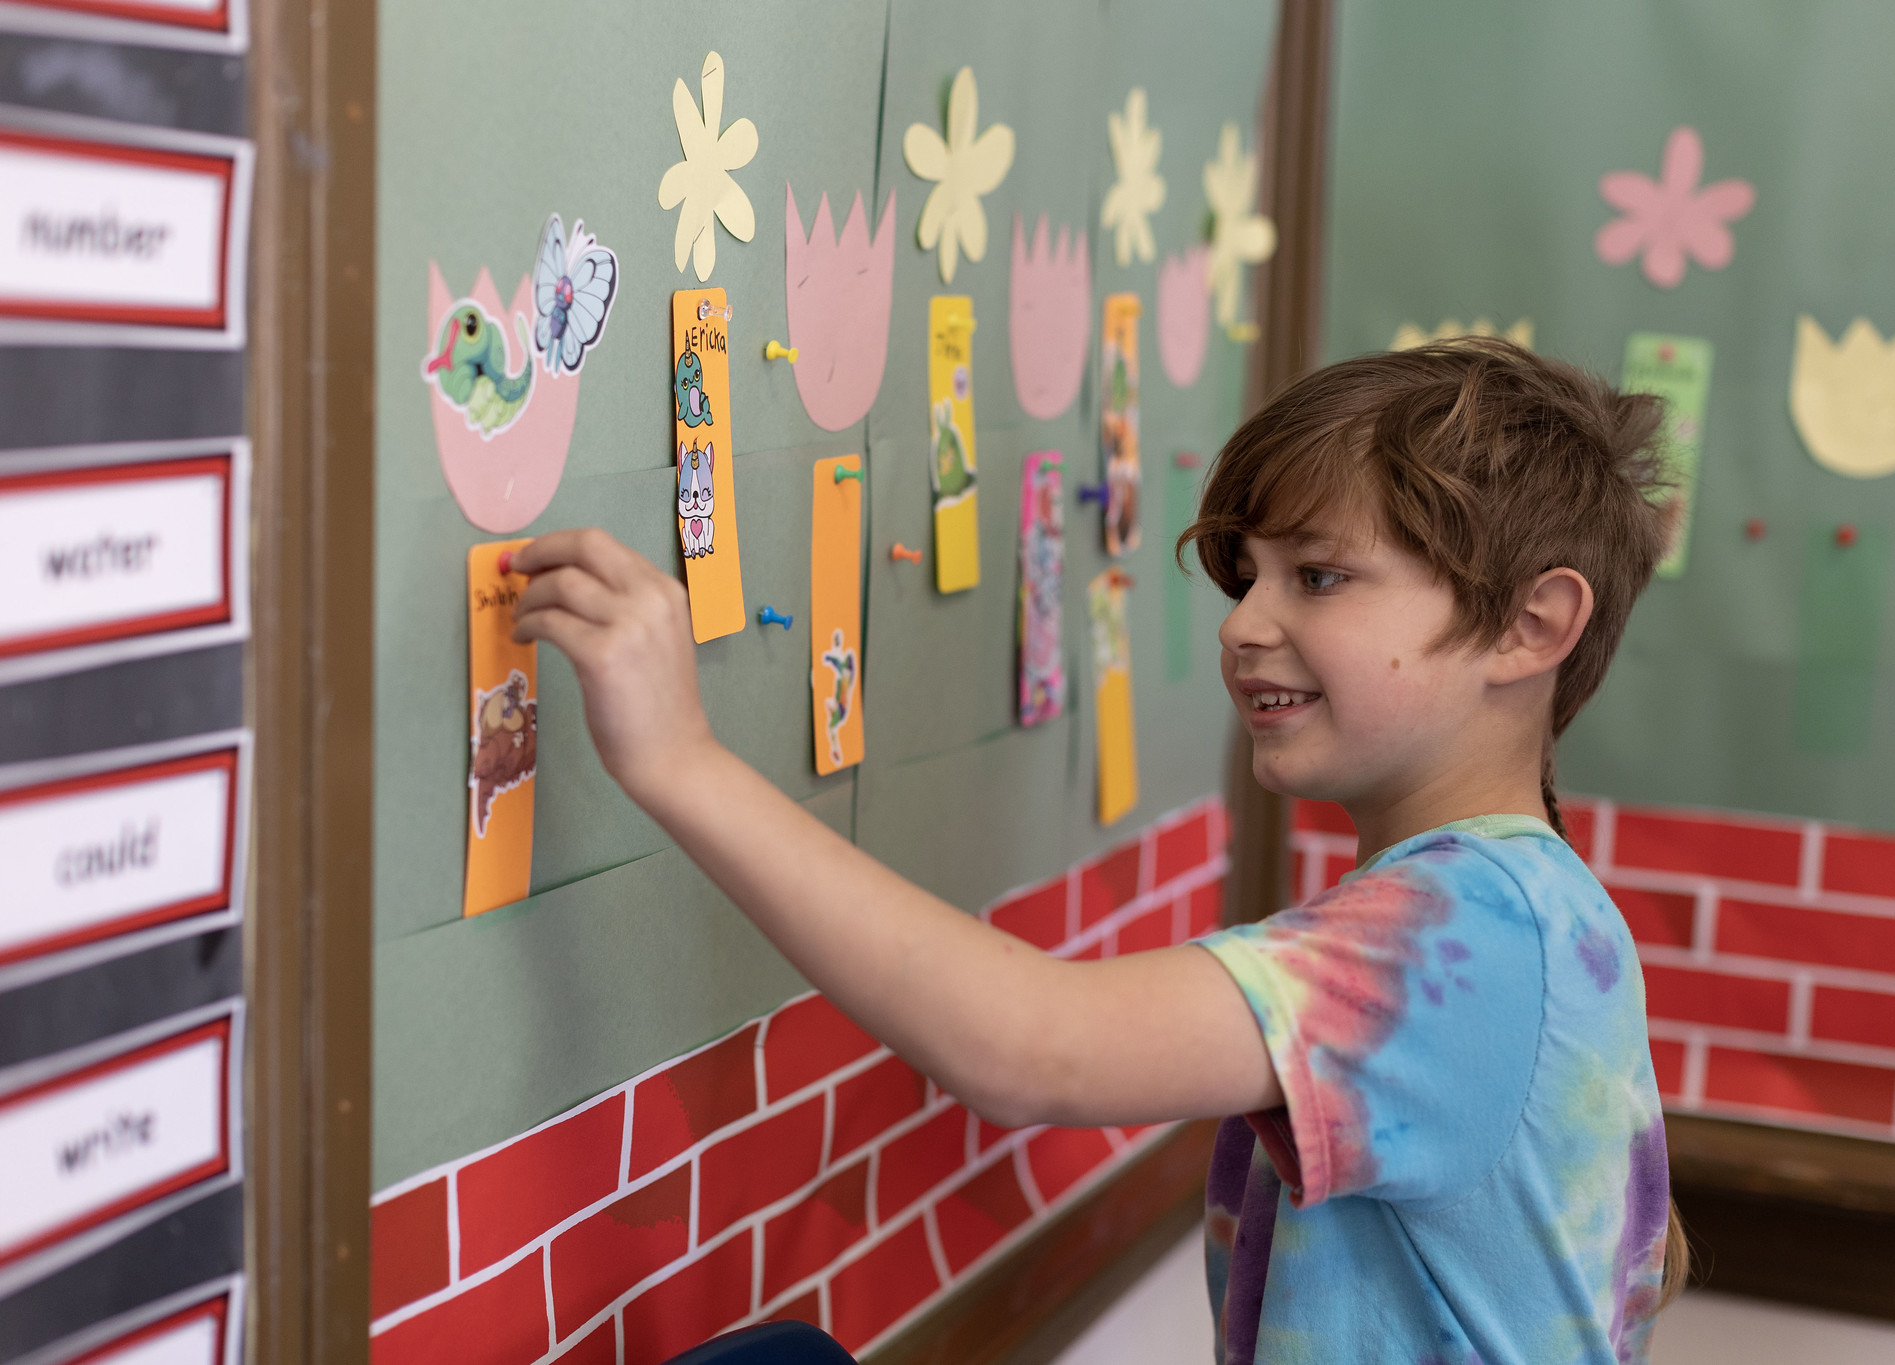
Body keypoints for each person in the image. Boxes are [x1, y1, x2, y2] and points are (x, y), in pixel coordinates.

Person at [509, 338, 1683, 1364]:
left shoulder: (1468, 928)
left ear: (1531, 627)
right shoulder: (1541, 914)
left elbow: (1033, 1050)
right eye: (1246, 576)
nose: (1241, 623)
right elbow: (1649, 1251)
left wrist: (680, 761)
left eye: (1317, 576)